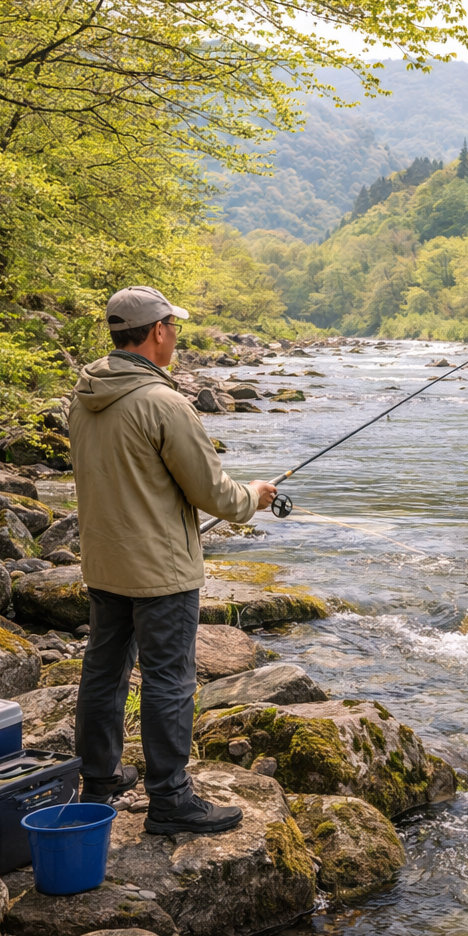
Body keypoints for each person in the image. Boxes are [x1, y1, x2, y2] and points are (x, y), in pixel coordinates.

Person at [67, 285, 276, 834]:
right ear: (158, 330)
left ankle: (99, 780)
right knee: (169, 681)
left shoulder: (85, 392)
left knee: (104, 671)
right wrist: (254, 496)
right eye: (174, 327)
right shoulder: (163, 402)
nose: (176, 335)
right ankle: (170, 800)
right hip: (159, 571)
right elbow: (214, 494)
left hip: (104, 560)